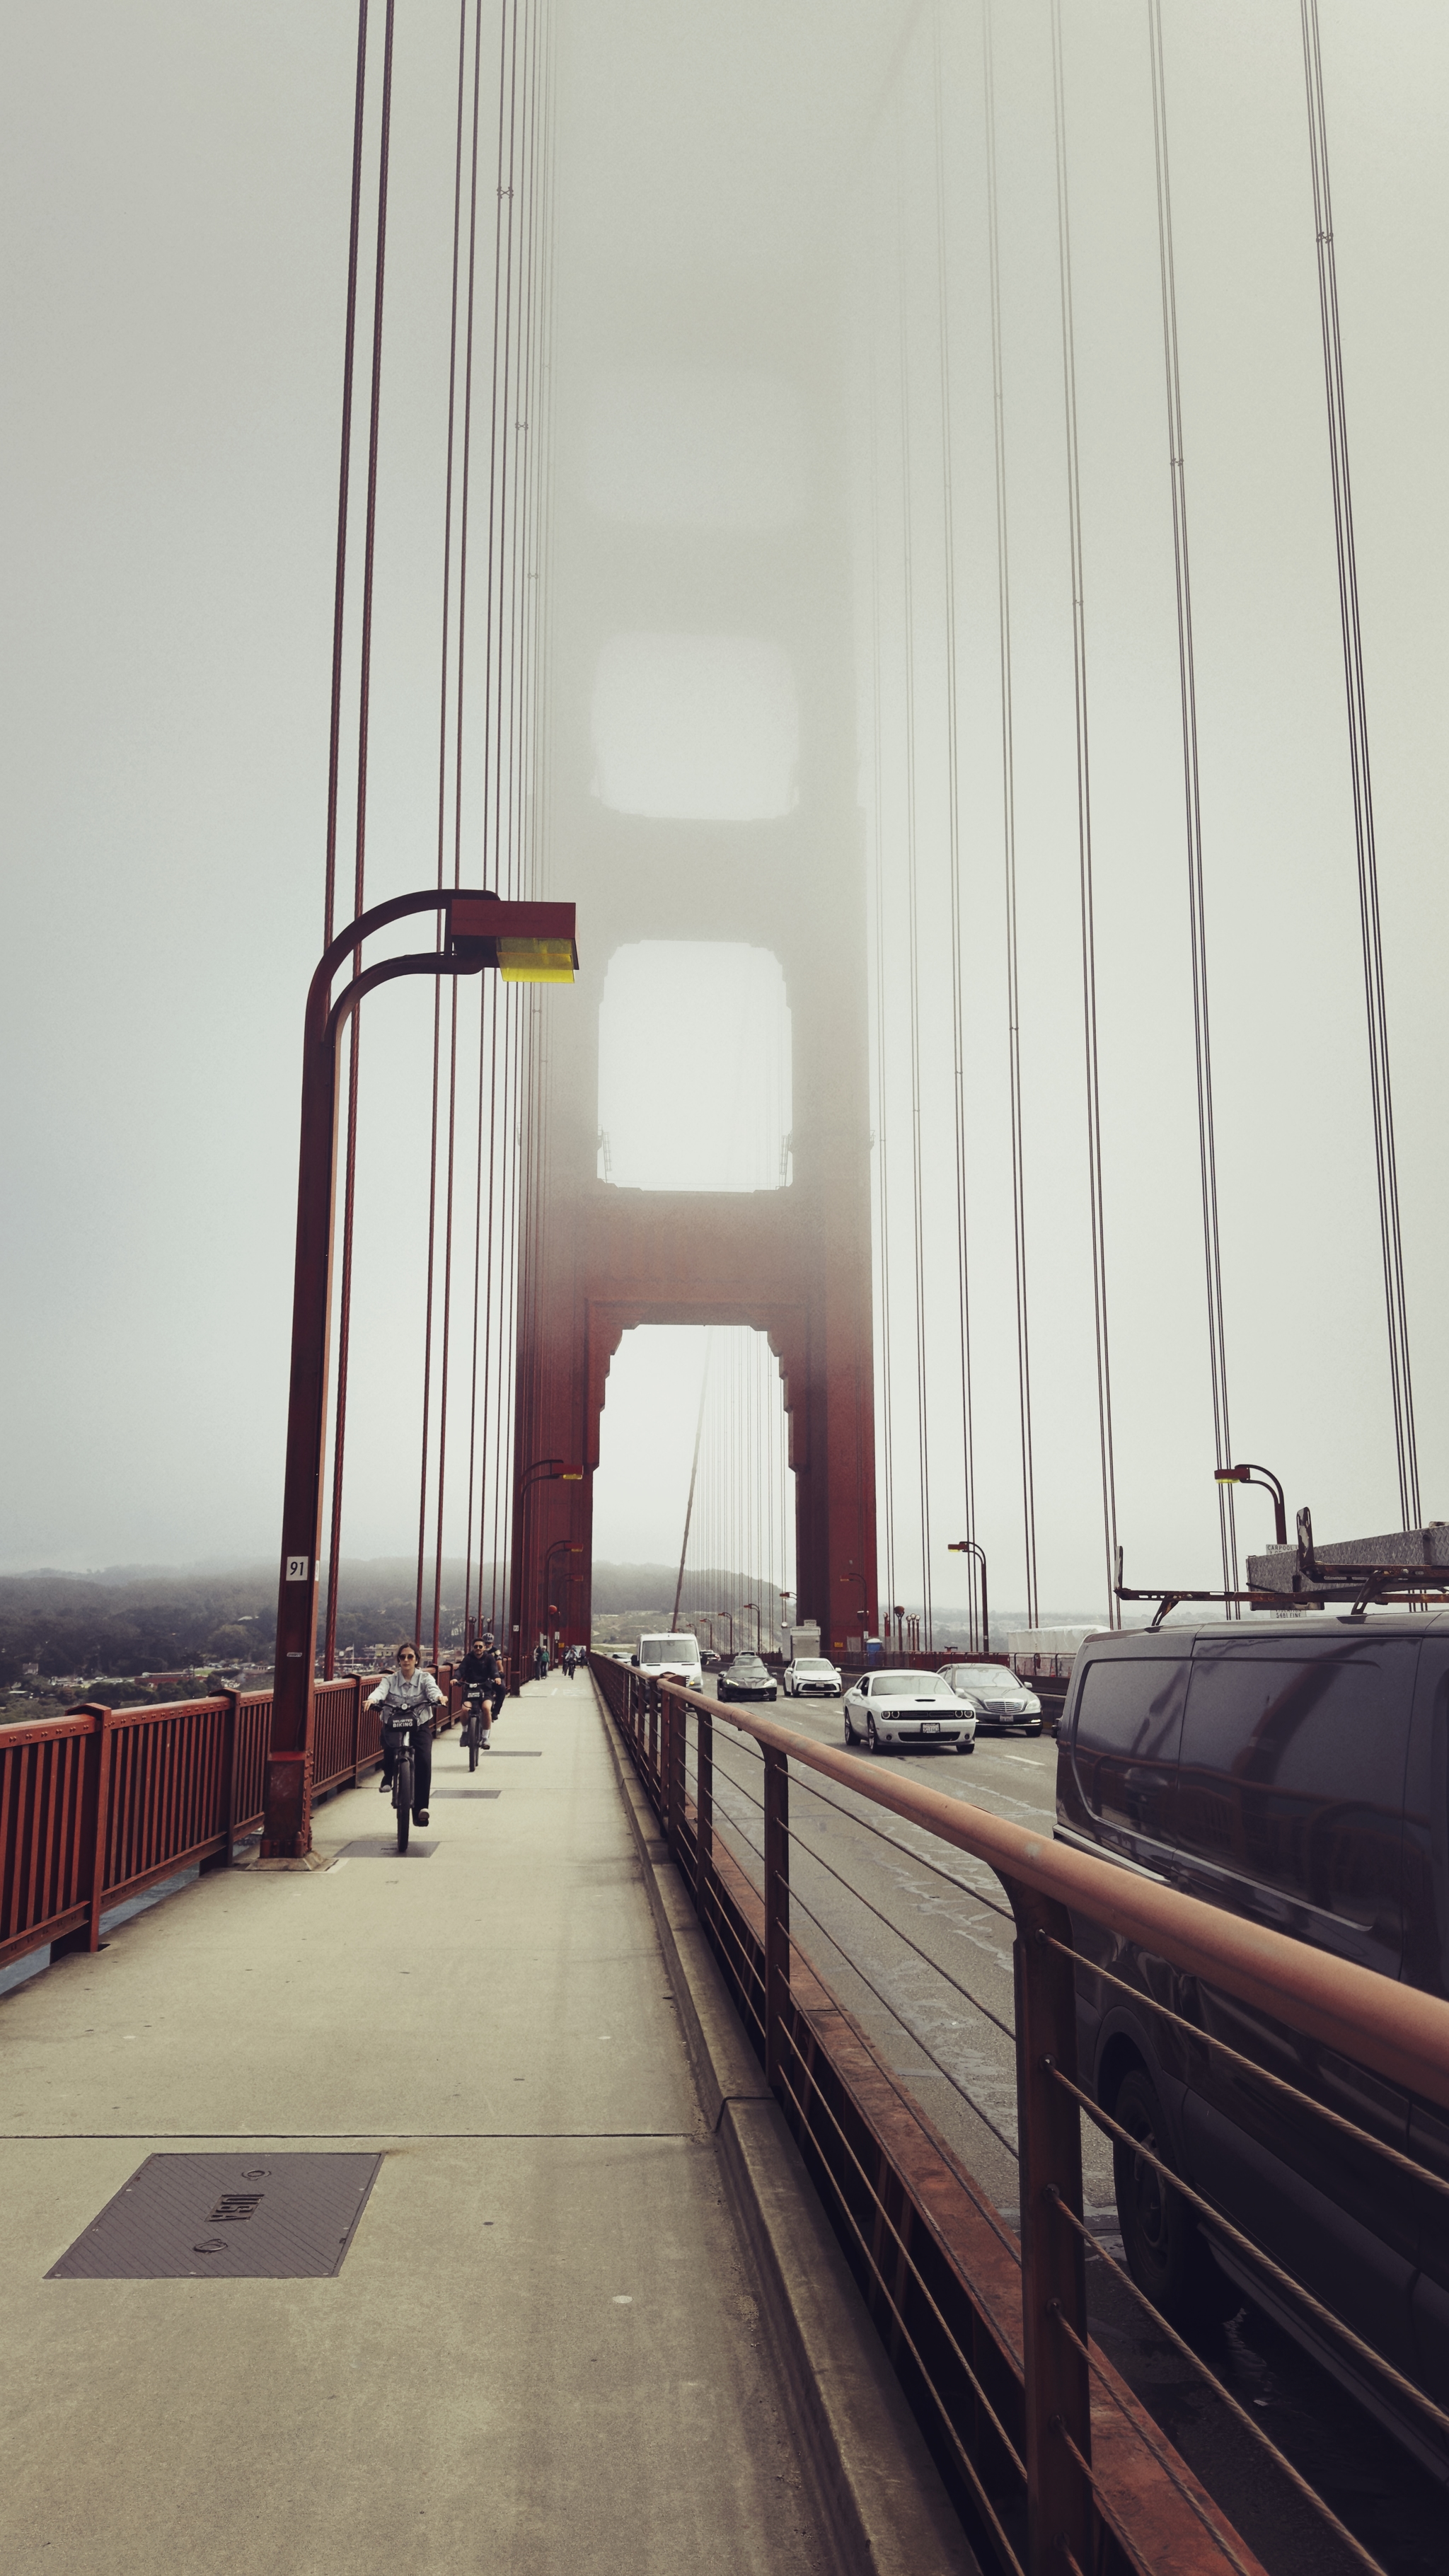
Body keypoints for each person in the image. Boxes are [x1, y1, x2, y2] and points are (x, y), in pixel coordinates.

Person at [369, 1644, 442, 1825]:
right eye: (403, 1657)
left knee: (424, 1760)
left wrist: (439, 1698)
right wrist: (372, 1699)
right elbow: (380, 1691)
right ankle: (388, 1774)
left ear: (417, 1659)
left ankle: (421, 1810)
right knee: (389, 1744)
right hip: (395, 1722)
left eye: (410, 1657)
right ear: (399, 1660)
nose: (406, 1660)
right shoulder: (390, 1680)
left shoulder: (425, 1678)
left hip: (419, 1724)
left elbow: (433, 1690)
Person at [457, 1634, 504, 1747]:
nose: (478, 1649)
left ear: (485, 1648)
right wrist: (455, 1678)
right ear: (473, 1648)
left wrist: (497, 1676)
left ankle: (485, 1737)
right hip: (470, 1688)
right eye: (476, 1647)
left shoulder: (490, 1657)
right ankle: (464, 1733)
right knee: (464, 1710)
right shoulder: (468, 1658)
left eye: (481, 1646)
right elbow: (461, 1670)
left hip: (485, 1687)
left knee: (487, 1708)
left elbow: (495, 1668)